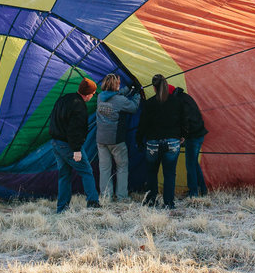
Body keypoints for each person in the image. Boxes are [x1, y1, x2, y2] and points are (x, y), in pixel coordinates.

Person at [49, 77, 101, 213]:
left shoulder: (64, 99)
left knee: (64, 175)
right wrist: (76, 150)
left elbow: (54, 119)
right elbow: (75, 130)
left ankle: (62, 208)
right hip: (68, 145)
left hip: (55, 143)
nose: (93, 96)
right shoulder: (79, 106)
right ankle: (93, 203)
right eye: (93, 93)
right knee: (87, 171)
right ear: (88, 94)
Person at [137, 74, 184, 209]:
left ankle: (151, 200)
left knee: (152, 172)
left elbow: (142, 125)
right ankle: (168, 203)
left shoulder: (149, 103)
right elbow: (183, 120)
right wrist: (183, 135)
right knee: (169, 174)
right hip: (172, 142)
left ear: (153, 88)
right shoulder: (176, 102)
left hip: (153, 143)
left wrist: (139, 141)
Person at [95, 74, 141, 202]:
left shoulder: (100, 97)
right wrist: (136, 93)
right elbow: (133, 107)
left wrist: (127, 89)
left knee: (104, 169)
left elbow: (114, 95)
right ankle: (122, 197)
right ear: (116, 84)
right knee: (122, 167)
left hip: (101, 139)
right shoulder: (120, 101)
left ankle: (106, 197)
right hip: (116, 140)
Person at [176, 88, 208, 197]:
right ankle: (203, 189)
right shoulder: (187, 98)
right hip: (200, 134)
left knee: (190, 165)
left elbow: (185, 121)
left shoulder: (180, 103)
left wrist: (183, 136)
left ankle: (193, 193)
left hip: (193, 137)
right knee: (194, 163)